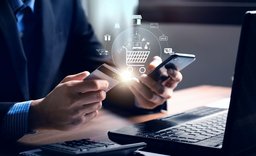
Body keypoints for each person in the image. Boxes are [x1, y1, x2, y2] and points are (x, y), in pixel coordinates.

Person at [0, 0, 182, 142]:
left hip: (41, 143)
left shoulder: (65, 3)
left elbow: (94, 68)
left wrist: (142, 92)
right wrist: (35, 115)